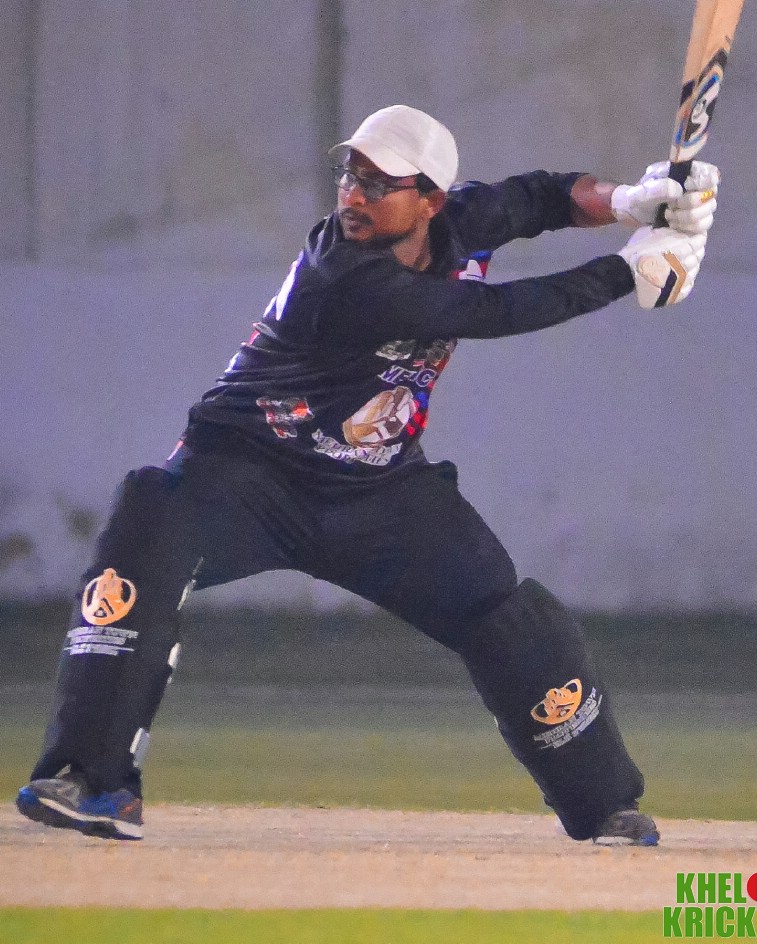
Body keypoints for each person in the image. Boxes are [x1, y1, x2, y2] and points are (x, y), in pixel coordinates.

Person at [17, 104, 718, 845]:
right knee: (145, 526)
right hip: (246, 473)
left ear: (431, 200)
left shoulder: (463, 221)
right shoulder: (346, 274)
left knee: (503, 612)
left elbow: (544, 196)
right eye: (349, 176)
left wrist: (629, 201)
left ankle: (605, 805)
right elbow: (498, 310)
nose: (353, 195)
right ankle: (90, 781)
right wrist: (630, 270)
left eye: (379, 183)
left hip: (379, 491)